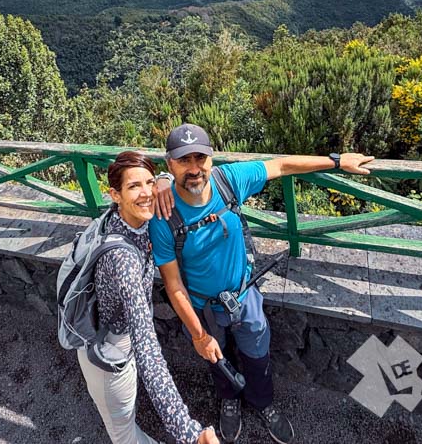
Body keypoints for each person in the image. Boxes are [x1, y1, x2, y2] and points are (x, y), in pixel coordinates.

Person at [150, 123, 374, 444]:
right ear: (169, 164)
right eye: (184, 161)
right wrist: (199, 336)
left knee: (257, 356)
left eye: (201, 158)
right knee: (216, 359)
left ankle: (263, 402)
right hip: (200, 308)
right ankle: (229, 400)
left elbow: (280, 165)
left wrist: (337, 161)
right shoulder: (164, 215)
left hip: (244, 295)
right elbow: (173, 286)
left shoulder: (228, 182)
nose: (194, 168)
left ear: (212, 159)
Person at [76, 150, 219, 444]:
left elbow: (153, 187)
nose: (145, 194)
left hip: (110, 335)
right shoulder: (122, 260)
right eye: (133, 187)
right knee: (125, 435)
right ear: (114, 194)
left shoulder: (123, 218)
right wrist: (189, 433)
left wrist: (164, 180)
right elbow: (147, 348)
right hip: (110, 355)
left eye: (148, 183)